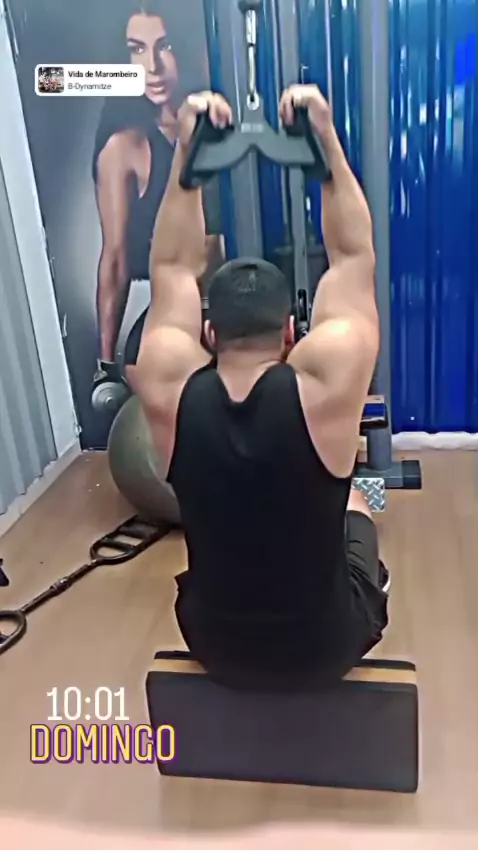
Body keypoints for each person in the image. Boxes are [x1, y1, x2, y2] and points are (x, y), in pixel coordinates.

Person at [131, 86, 389, 690]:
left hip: (214, 642)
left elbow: (169, 266)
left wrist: (187, 156)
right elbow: (353, 256)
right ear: (292, 332)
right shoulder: (327, 383)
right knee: (355, 503)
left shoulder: (169, 383)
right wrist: (324, 140)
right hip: (324, 647)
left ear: (209, 332)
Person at [91, 0, 223, 400]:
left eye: (164, 46)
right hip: (175, 317)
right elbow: (115, 259)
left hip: (239, 306)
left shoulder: (222, 122)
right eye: (137, 49)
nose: (152, 66)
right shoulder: (124, 149)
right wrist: (105, 367)